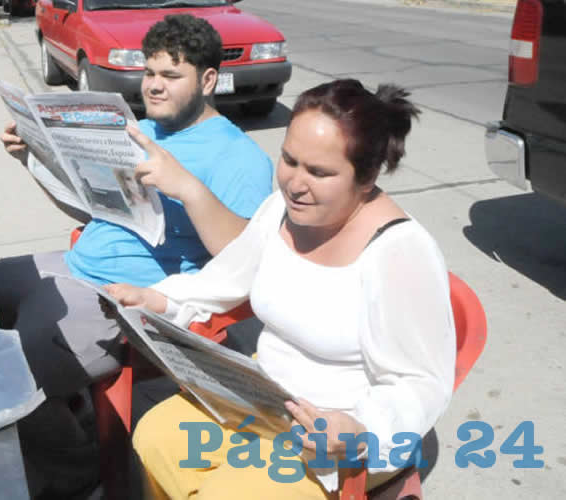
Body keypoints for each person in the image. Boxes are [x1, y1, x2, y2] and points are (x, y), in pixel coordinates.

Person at [106, 79, 457, 499]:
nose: (294, 183)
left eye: (319, 172)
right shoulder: (281, 211)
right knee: (156, 437)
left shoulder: (400, 253)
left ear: (366, 178)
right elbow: (224, 279)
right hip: (262, 400)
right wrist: (156, 299)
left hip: (334, 435)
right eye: (289, 160)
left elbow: (420, 383)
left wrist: (358, 430)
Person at [0, 14, 274, 498]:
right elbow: (86, 207)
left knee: (14, 369)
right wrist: (32, 159)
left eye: (171, 76)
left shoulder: (240, 156)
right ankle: (62, 411)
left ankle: (74, 470)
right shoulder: (140, 130)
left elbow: (242, 260)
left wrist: (186, 188)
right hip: (80, 261)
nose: (155, 87)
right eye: (149, 73)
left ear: (208, 80)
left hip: (126, 296)